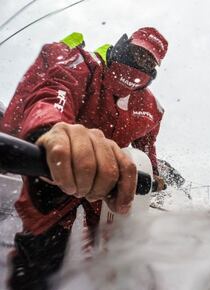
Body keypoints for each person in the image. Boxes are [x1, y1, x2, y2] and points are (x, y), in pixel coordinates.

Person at [0, 27, 168, 290]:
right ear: (123, 44)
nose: (140, 63)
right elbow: (55, 91)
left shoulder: (151, 109)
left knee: (111, 253)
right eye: (137, 53)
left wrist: (153, 172)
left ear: (155, 70)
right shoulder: (85, 65)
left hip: (108, 182)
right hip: (56, 166)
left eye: (149, 61)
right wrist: (52, 130)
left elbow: (147, 145)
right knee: (42, 246)